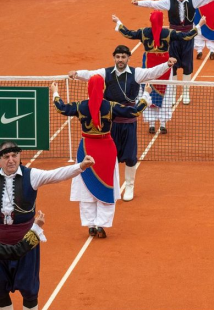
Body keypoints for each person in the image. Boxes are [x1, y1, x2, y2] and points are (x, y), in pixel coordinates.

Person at [1, 142, 90, 310]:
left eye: (14, 155)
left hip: (27, 241)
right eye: (6, 157)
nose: (11, 160)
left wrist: (81, 166)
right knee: (0, 289)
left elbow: (57, 174)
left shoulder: (32, 176)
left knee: (29, 289)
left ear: (20, 157)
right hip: (1, 245)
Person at [69, 45, 179, 201]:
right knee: (109, 155)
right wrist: (77, 73)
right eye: (118, 57)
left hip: (129, 122)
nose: (120, 60)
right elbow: (90, 74)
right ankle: (109, 185)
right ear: (114, 58)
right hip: (110, 123)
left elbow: (151, 72)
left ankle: (129, 186)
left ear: (128, 58)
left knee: (130, 156)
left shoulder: (136, 73)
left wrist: (167, 65)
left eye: (123, 57)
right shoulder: (105, 73)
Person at [52, 78, 150, 239]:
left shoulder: (80, 106)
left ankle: (90, 224)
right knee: (107, 185)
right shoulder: (111, 106)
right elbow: (135, 111)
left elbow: (61, 108)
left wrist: (55, 92)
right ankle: (100, 224)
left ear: (89, 88)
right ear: (103, 88)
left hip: (86, 151)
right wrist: (146, 95)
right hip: (106, 150)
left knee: (85, 186)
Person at [132, 0, 214, 104]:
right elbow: (153, 3)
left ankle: (185, 93)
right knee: (173, 66)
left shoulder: (194, 0)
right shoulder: (169, 2)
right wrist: (139, 3)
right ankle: (173, 94)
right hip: (173, 37)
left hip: (188, 37)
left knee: (187, 66)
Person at [112, 11, 202, 133]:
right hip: (164, 68)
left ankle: (151, 124)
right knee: (166, 95)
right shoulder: (167, 33)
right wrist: (199, 25)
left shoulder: (144, 32)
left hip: (148, 68)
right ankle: (163, 124)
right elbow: (186, 36)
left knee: (148, 93)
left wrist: (118, 22)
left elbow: (129, 34)